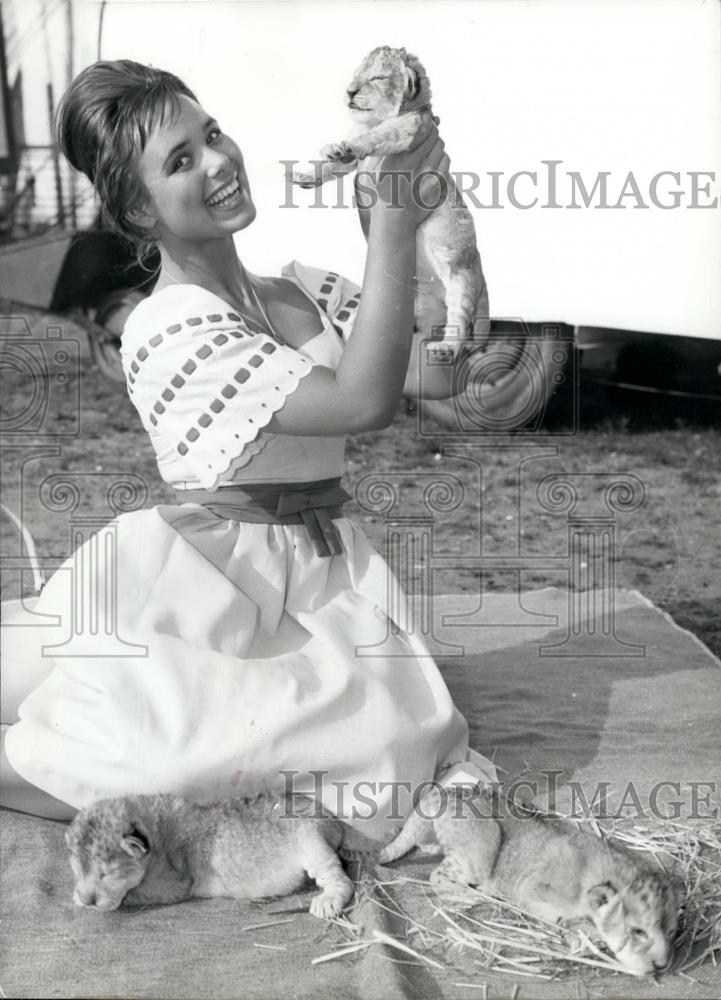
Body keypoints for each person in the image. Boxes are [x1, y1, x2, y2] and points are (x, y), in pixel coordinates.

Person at [1, 60, 495, 838]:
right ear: (137, 208)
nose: (219, 161)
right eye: (181, 160)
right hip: (200, 581)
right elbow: (362, 403)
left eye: (212, 134)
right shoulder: (166, 329)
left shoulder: (303, 290)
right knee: (172, 770)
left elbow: (442, 368)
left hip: (322, 578)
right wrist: (391, 234)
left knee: (389, 757)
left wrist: (435, 232)